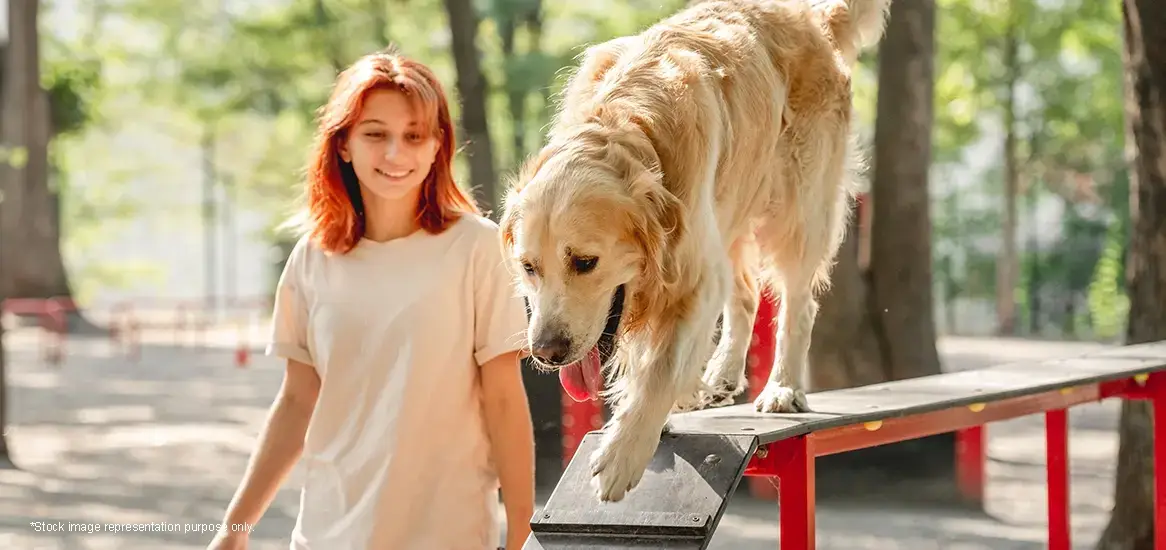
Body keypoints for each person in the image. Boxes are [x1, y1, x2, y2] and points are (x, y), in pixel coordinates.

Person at [207, 47, 536, 550]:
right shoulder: (312, 259)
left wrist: (519, 534)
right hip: (325, 533)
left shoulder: (478, 247)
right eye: (375, 134)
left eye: (413, 136)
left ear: (436, 146)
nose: (394, 155)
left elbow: (505, 399)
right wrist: (234, 530)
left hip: (445, 534)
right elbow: (296, 401)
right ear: (343, 144)